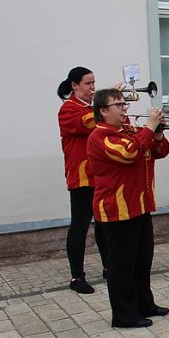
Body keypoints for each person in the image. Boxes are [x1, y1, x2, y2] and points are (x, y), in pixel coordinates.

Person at [87, 89, 169, 328]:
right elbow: (130, 153)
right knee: (121, 266)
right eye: (118, 105)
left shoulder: (130, 131)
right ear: (103, 111)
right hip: (117, 209)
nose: (125, 108)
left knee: (143, 260)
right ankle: (123, 314)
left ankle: (144, 304)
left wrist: (157, 133)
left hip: (140, 205)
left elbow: (159, 152)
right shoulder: (100, 135)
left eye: (125, 104)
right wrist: (149, 127)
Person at [57, 66, 110, 294]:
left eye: (94, 83)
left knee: (104, 225)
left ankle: (109, 268)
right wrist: (107, 104)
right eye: (88, 83)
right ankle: (76, 277)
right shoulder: (68, 109)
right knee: (79, 225)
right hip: (80, 176)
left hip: (100, 174)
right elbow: (88, 123)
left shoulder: (90, 107)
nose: (93, 88)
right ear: (74, 86)